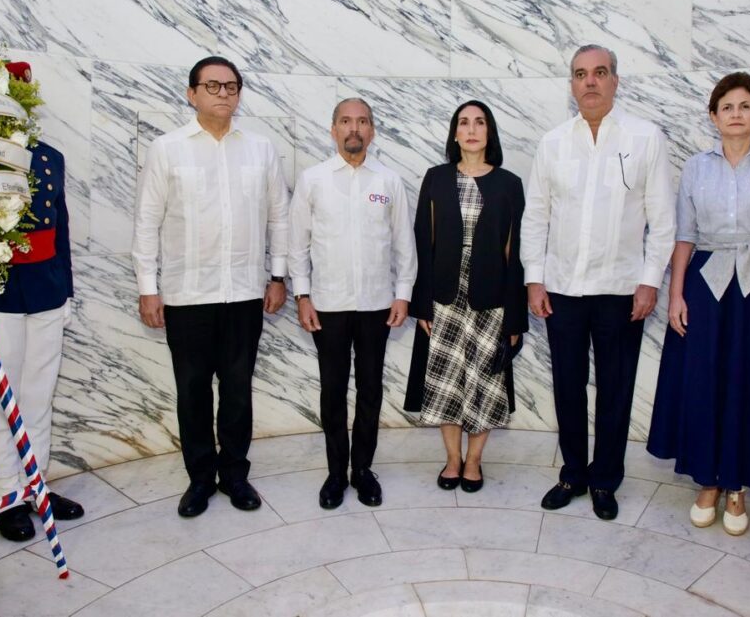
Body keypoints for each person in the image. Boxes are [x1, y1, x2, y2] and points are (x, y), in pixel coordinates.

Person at [646, 72, 750, 536]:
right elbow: (684, 236)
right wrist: (676, 294)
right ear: (713, 116)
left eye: (744, 106)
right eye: (726, 107)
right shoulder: (697, 167)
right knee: (704, 380)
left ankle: (737, 485)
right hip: (706, 283)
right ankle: (707, 482)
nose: (735, 114)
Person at [522, 44, 675, 520]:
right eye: (580, 74)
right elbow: (536, 217)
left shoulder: (645, 137)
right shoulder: (553, 142)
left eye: (599, 73)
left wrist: (650, 281)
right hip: (563, 289)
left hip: (622, 290)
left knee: (616, 387)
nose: (590, 82)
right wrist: (534, 279)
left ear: (615, 81)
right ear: (571, 84)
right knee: (567, 386)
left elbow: (663, 219)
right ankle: (573, 473)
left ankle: (606, 479)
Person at [132, 55, 290, 518]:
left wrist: (276, 275)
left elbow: (279, 215)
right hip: (187, 295)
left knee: (239, 391)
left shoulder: (260, 149)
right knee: (194, 391)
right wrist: (148, 287)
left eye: (232, 86)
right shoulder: (168, 149)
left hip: (244, 293)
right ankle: (200, 479)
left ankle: (235, 477)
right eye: (214, 86)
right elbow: (147, 221)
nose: (224, 94)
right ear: (192, 93)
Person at [0, 61, 85, 541]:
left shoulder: (49, 155)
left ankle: (35, 486)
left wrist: (65, 291)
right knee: (1, 399)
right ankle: (6, 493)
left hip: (47, 292)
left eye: (22, 95)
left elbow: (61, 229)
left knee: (37, 396)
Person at [288, 98, 417, 509]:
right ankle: (334, 473)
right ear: (333, 129)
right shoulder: (314, 180)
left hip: (377, 304)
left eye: (362, 121)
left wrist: (403, 294)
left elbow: (403, 245)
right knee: (331, 391)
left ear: (372, 131)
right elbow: (297, 244)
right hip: (328, 304)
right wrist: (303, 295)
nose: (354, 129)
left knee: (370, 389)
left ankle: (363, 471)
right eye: (346, 121)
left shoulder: (388, 181)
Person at [405, 100, 527, 493]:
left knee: (484, 384)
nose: (472, 129)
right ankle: (452, 459)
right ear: (455, 133)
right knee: (446, 384)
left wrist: (515, 318)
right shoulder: (436, 178)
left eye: (479, 122)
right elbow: (423, 242)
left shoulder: (509, 184)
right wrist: (421, 303)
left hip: (492, 302)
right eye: (464, 123)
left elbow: (517, 253)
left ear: (489, 132)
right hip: (444, 300)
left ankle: (474, 461)